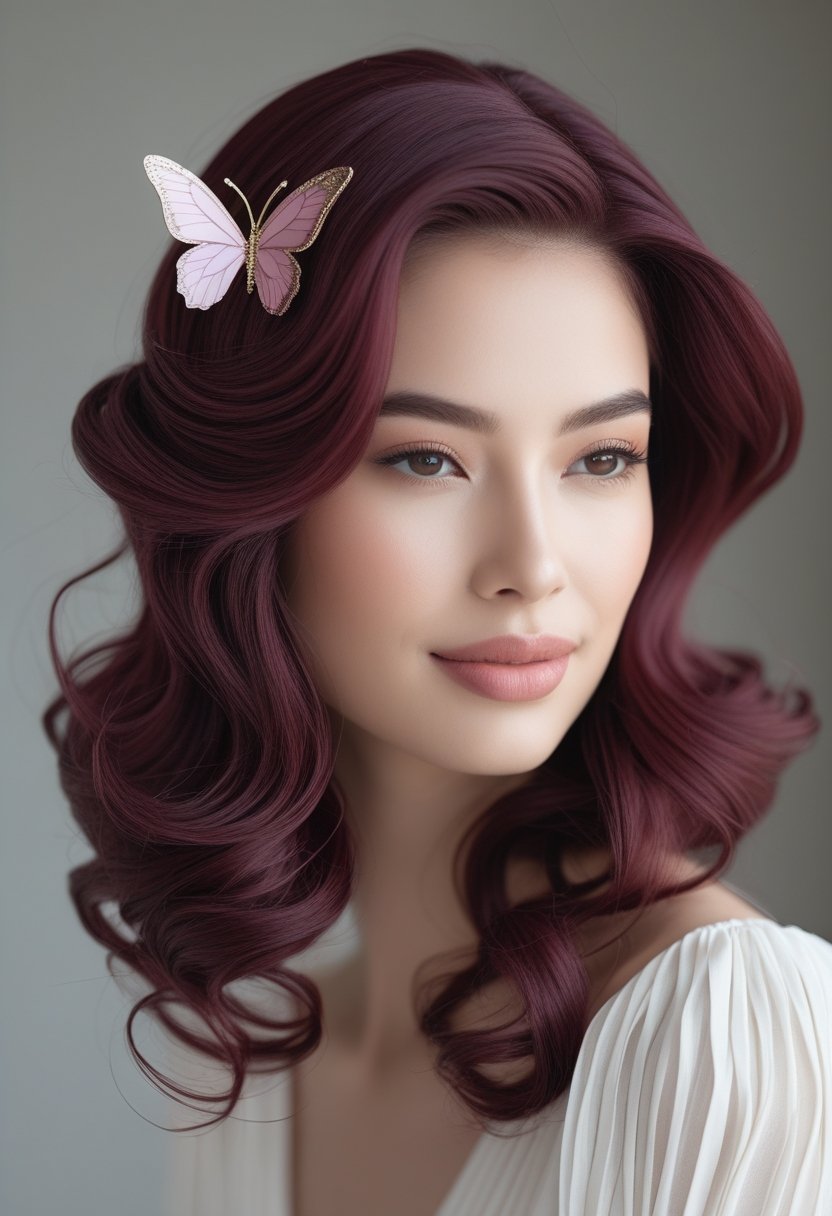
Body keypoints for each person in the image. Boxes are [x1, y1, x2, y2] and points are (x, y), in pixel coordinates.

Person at [42, 46, 831, 1216]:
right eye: (426, 458)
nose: (533, 566)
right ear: (255, 507)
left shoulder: (730, 1031)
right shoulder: (252, 1062)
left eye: (601, 458)